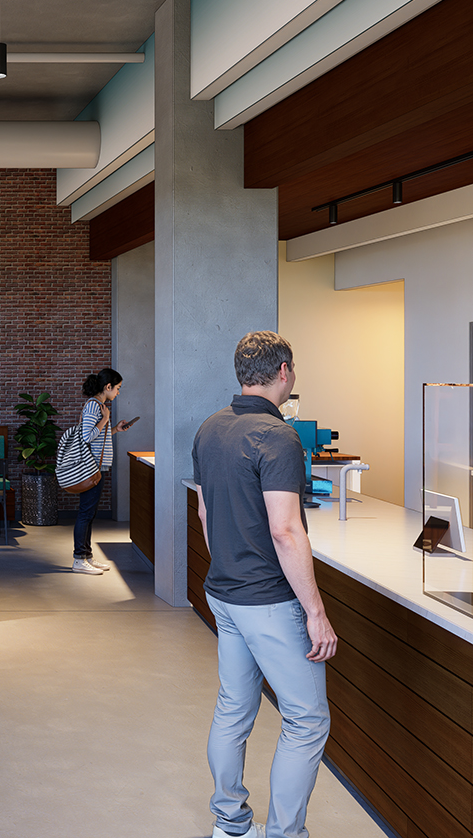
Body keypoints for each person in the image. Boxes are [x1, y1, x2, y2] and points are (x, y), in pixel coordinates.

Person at [192, 332, 337, 838]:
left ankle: (230, 826)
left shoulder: (211, 427)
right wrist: (315, 611)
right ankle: (284, 834)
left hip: (225, 593)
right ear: (283, 372)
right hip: (270, 603)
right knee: (306, 720)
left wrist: (230, 567)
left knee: (234, 709)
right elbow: (285, 529)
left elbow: (206, 509)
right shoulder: (278, 437)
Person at [71, 367, 131, 575]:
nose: (118, 393)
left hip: (97, 466)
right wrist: (105, 420)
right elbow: (86, 437)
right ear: (108, 387)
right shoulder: (94, 407)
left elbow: (96, 436)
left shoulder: (99, 406)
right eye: (118, 388)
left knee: (90, 512)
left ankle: (86, 556)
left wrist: (115, 429)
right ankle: (79, 558)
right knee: (86, 512)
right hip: (91, 468)